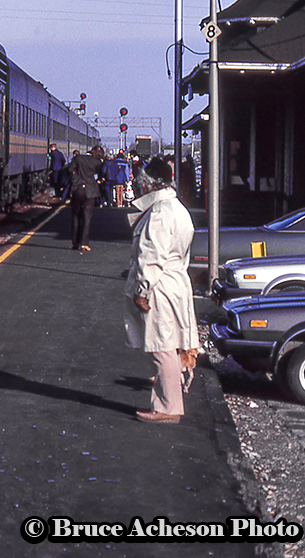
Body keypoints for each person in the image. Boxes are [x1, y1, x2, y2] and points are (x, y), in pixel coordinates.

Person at [123, 156, 197, 424]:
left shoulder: (159, 213)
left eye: (142, 183)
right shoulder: (178, 208)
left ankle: (168, 408)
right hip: (176, 281)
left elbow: (151, 255)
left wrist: (142, 290)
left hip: (160, 285)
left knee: (161, 347)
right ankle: (170, 400)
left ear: (149, 184)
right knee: (169, 345)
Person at [66, 146, 104, 251]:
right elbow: (100, 175)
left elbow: (69, 169)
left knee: (75, 216)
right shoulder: (97, 163)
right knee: (87, 217)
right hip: (90, 191)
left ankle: (75, 242)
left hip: (78, 189)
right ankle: (84, 243)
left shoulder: (78, 158)